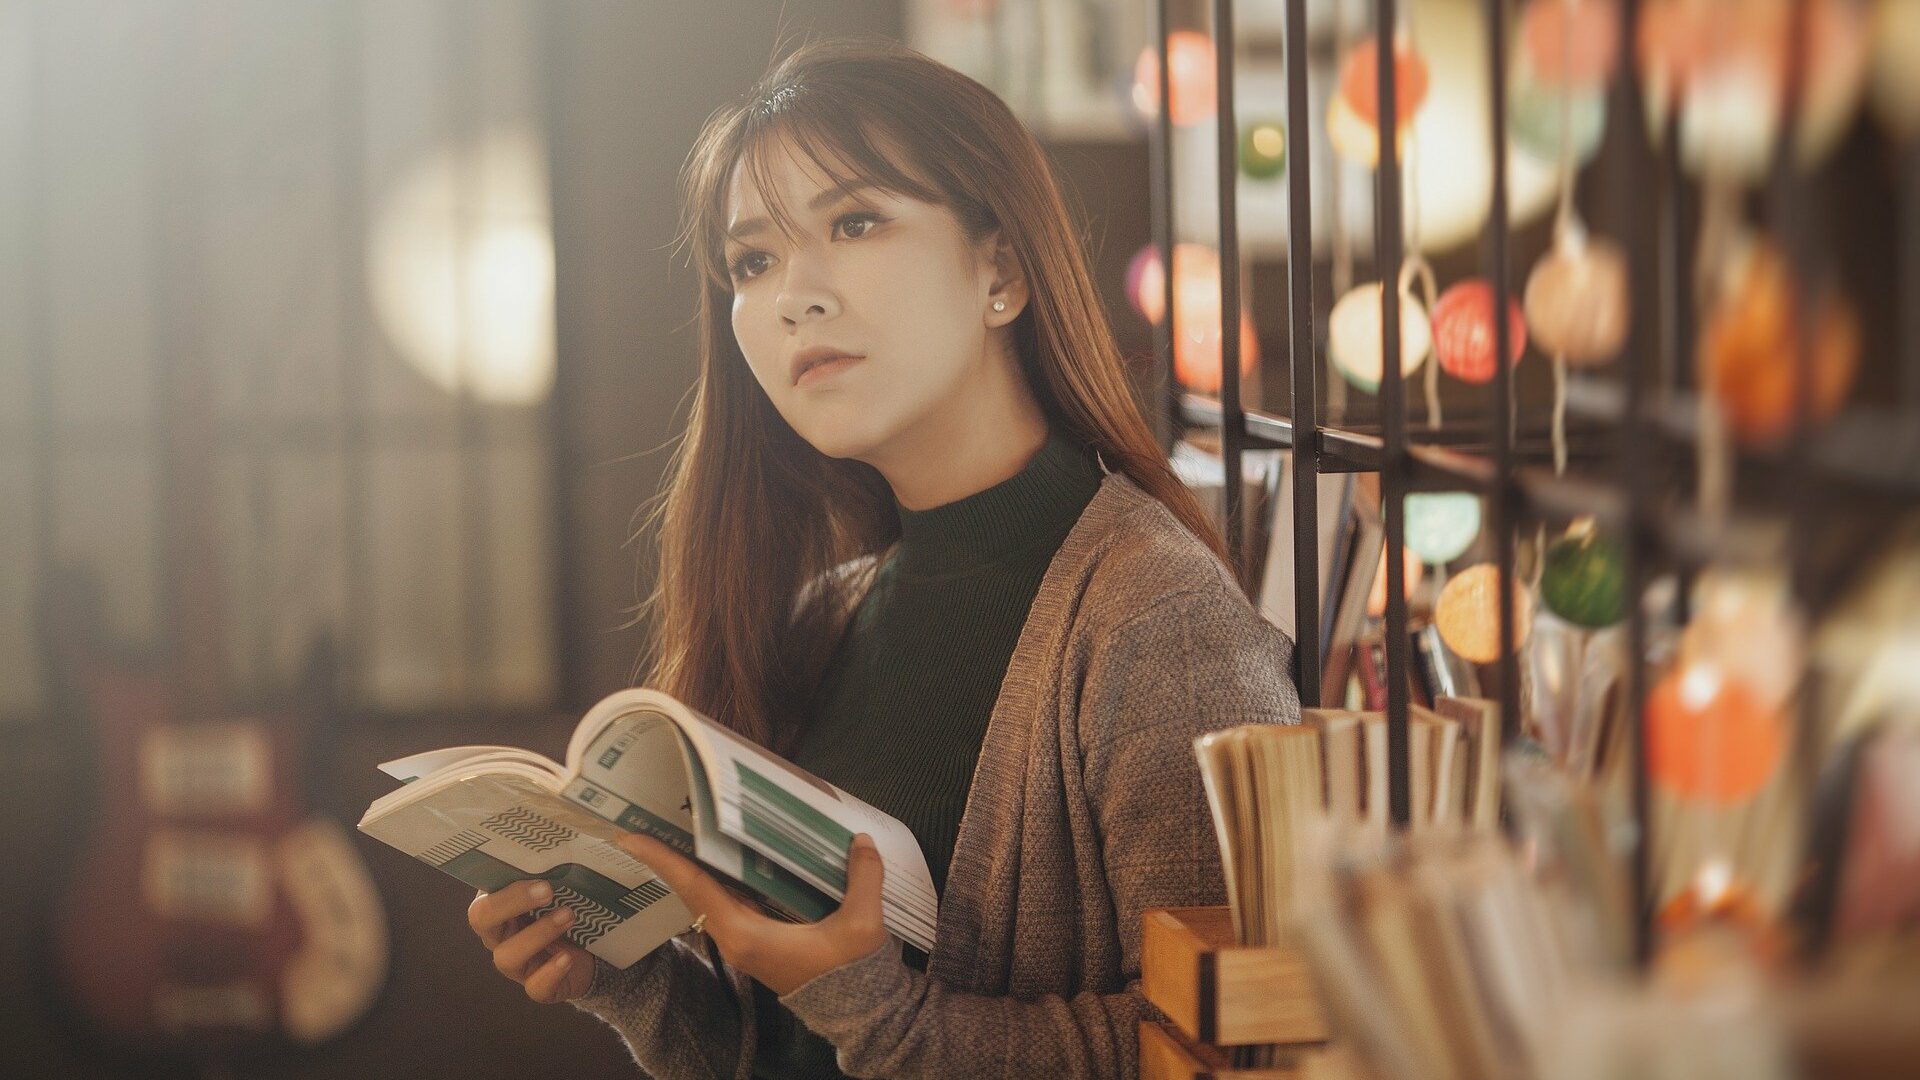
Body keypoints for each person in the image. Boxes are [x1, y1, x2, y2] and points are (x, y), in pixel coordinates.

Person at [466, 36, 1299, 1080]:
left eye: (855, 223)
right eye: (752, 261)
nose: (791, 297)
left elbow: (1230, 1050)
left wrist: (886, 1014)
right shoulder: (826, 614)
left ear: (1001, 270)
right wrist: (633, 985)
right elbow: (793, 1053)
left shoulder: (1156, 616)